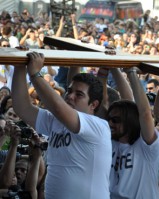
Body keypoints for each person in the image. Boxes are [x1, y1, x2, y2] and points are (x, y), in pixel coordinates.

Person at [11, 52, 112, 199]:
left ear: (94, 105)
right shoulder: (56, 121)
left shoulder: (98, 126)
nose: (70, 96)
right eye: (70, 91)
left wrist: (35, 74)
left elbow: (58, 107)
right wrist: (20, 67)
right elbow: (22, 107)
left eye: (79, 94)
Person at [108, 67, 159, 199]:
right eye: (110, 119)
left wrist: (132, 73)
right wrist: (114, 68)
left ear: (129, 121)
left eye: (115, 120)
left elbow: (145, 113)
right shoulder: (111, 141)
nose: (110, 124)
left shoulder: (146, 147)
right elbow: (127, 101)